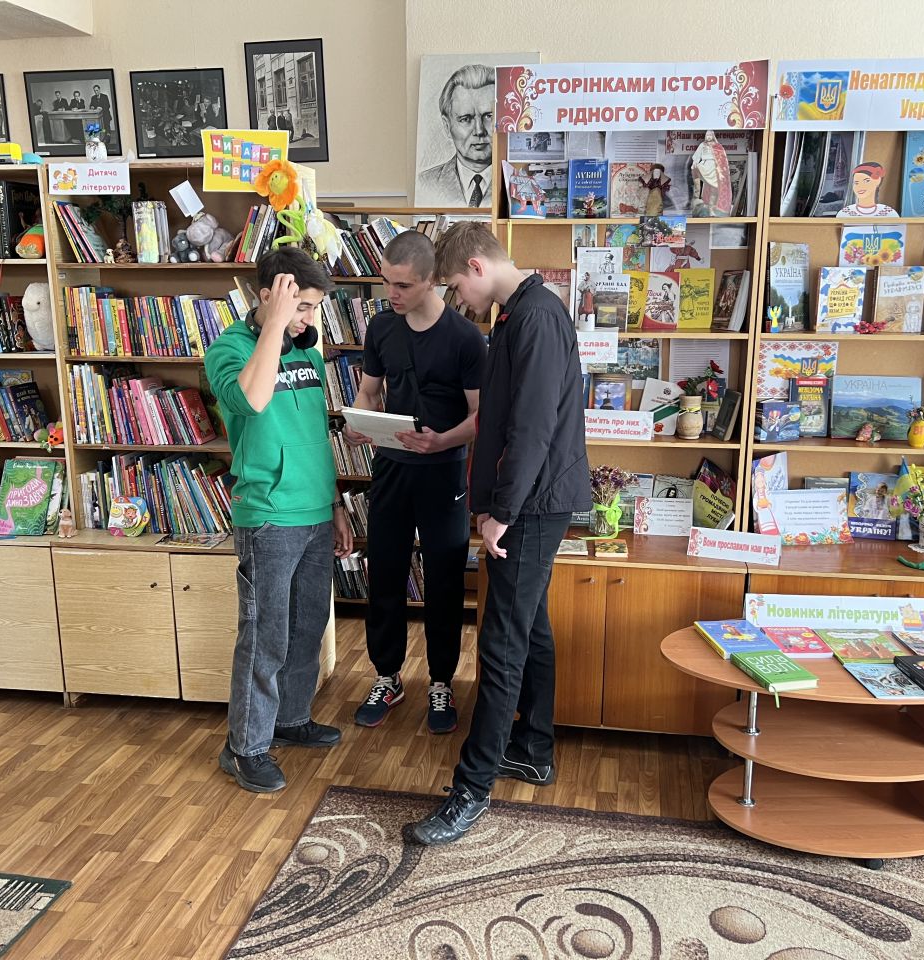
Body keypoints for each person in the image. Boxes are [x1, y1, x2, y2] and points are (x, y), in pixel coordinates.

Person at [411, 223, 590, 845]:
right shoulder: (519, 314)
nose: (458, 299)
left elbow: (533, 429)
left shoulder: (535, 318)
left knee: (501, 642)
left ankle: (472, 788)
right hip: (529, 503)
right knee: (530, 627)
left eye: (456, 286)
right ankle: (533, 749)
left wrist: (502, 512)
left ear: (477, 266)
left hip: (531, 508)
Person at [204, 247, 354, 793]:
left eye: (313, 308)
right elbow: (252, 400)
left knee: (307, 626)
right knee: (265, 635)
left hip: (314, 509)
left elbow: (314, 434)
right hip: (268, 514)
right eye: (300, 306)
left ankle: (290, 718)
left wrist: (334, 505)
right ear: (267, 295)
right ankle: (244, 748)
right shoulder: (229, 350)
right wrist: (274, 324)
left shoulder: (306, 351)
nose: (307, 319)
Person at [342, 232, 486, 735]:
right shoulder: (381, 327)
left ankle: (441, 681)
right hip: (390, 468)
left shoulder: (465, 338)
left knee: (444, 581)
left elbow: (480, 415)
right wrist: (360, 422)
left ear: (432, 281)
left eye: (402, 285)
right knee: (384, 574)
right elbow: (369, 392)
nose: (391, 294)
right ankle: (387, 677)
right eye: (386, 282)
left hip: (444, 471)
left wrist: (442, 441)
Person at [416, 64, 495, 208]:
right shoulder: (425, 184)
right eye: (465, 119)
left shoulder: (520, 183)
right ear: (447, 126)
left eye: (489, 116)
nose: (479, 130)